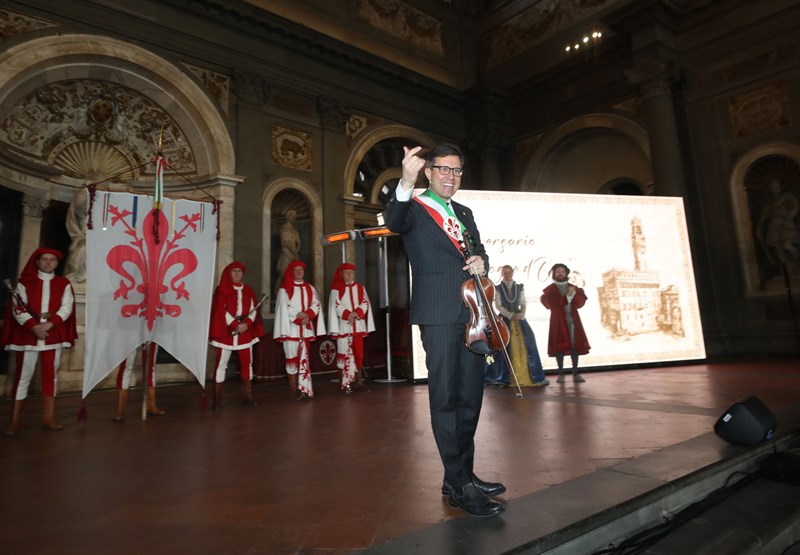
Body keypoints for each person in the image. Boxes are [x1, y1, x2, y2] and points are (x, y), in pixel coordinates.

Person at [384, 143, 505, 517]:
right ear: (429, 172)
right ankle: (460, 484)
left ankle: (460, 475)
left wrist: (482, 261)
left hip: (473, 315)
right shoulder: (415, 208)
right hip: (438, 314)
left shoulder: (464, 212)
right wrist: (404, 180)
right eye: (443, 170)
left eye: (456, 171)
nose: (450, 176)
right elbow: (393, 223)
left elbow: (480, 251)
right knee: (446, 398)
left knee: (470, 398)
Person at [1, 248, 78, 435]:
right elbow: (18, 309)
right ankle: (15, 419)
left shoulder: (64, 283)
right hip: (28, 335)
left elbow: (67, 307)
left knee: (50, 376)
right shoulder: (23, 282)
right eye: (45, 259)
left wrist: (49, 324)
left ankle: (48, 417)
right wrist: (35, 327)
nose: (49, 262)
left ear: (57, 264)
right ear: (37, 261)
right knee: (22, 377)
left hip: (52, 334)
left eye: (52, 260)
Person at [209, 261, 265, 408]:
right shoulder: (221, 289)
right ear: (229, 273)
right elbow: (221, 310)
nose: (237, 274)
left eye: (239, 271)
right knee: (221, 364)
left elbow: (254, 309)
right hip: (226, 332)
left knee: (247, 363)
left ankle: (248, 396)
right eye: (234, 271)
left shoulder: (248, 290)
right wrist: (235, 325)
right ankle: (217, 399)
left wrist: (246, 324)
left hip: (245, 332)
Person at [485, 265, 549, 387]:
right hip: (505, 320)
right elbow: (498, 306)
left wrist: (521, 314)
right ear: (502, 274)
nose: (507, 274)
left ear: (512, 273)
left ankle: (532, 376)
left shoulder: (519, 287)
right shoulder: (497, 288)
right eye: (505, 272)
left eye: (509, 272)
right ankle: (502, 377)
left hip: (519, 319)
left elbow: (523, 303)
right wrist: (509, 315)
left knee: (528, 342)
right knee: (503, 345)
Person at [273, 260, 325, 400]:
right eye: (295, 270)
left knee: (305, 360)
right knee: (291, 359)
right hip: (290, 330)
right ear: (291, 272)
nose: (298, 272)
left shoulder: (310, 288)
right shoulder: (284, 290)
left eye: (301, 269)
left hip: (306, 329)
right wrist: (298, 317)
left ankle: (305, 389)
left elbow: (316, 304)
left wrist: (308, 314)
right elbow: (284, 308)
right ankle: (293, 389)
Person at [327, 262, 375, 394]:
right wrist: (348, 314)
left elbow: (365, 302)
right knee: (343, 354)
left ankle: (359, 382)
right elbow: (336, 305)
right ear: (342, 275)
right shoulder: (336, 289)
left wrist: (357, 313)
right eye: (346, 273)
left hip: (357, 327)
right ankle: (344, 384)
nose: (349, 274)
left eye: (351, 272)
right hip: (344, 327)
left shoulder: (360, 288)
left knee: (359, 354)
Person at [541, 263, 591, 383]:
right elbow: (548, 303)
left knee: (574, 345)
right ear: (554, 273)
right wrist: (566, 298)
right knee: (559, 346)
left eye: (562, 271)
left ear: (566, 273)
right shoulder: (550, 289)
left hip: (572, 319)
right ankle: (561, 373)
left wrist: (574, 295)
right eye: (557, 271)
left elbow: (580, 303)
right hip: (558, 321)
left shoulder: (573, 288)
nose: (560, 273)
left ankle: (575, 373)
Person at [112, 342, 165, 422]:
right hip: (129, 331)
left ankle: (150, 405)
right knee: (126, 366)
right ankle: (121, 409)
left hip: (150, 330)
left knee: (150, 365)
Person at [276, 209, 301, 285]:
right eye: (292, 216)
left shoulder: (294, 230)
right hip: (286, 254)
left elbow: (299, 243)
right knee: (282, 274)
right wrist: (294, 253)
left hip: (294, 255)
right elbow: (286, 242)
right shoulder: (284, 228)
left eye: (295, 216)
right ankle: (277, 293)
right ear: (288, 216)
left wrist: (296, 252)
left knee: (294, 275)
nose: (294, 218)